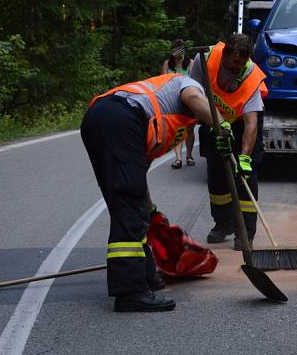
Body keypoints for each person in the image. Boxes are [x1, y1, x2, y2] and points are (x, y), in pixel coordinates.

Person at [80, 71, 232, 312]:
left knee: (128, 203)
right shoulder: (190, 85)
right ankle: (130, 292)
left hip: (100, 119)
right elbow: (193, 96)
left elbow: (138, 175)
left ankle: (144, 275)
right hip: (120, 119)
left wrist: (150, 210)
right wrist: (222, 127)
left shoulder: (163, 116)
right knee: (129, 208)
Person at [188, 33, 266, 250]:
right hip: (212, 119)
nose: (237, 67)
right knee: (216, 177)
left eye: (241, 63)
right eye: (233, 62)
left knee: (245, 178)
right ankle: (223, 225)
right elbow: (191, 93)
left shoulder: (250, 77)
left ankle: (245, 233)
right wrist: (215, 125)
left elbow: (252, 123)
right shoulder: (204, 60)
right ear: (224, 54)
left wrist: (244, 157)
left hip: (241, 123)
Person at [163, 40, 196, 169]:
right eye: (176, 50)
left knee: (190, 129)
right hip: (173, 101)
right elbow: (162, 81)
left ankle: (189, 155)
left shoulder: (190, 63)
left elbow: (194, 81)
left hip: (188, 101)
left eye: (181, 50)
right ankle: (178, 159)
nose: (178, 54)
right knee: (177, 129)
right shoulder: (167, 64)